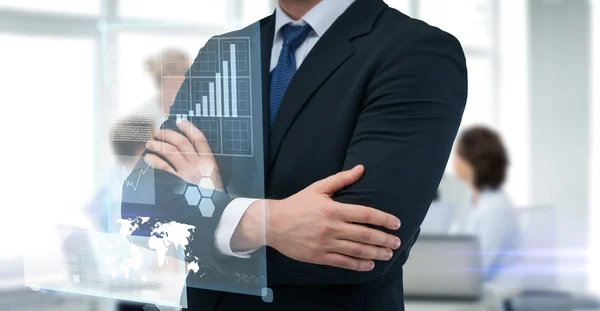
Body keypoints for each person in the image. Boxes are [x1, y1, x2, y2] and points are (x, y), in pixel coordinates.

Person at [121, 0, 468, 310]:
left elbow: (359, 246)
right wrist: (266, 221)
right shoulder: (222, 52)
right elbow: (142, 210)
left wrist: (209, 199)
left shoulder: (417, 51)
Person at [452, 126, 522, 282]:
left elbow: (477, 268)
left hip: (495, 297)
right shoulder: (473, 198)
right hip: (473, 290)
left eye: (458, 154)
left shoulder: (496, 208)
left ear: (472, 161)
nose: (454, 160)